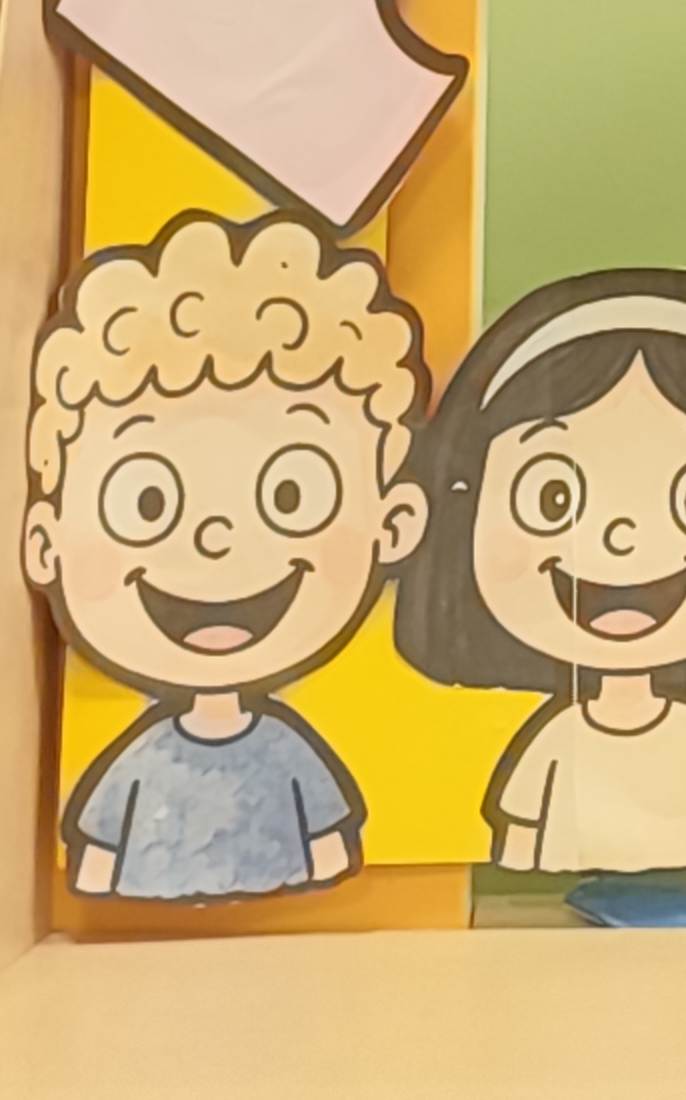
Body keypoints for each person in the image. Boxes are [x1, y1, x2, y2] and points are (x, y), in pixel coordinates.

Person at [397, 269, 686, 874]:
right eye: (552, 498)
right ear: (466, 508)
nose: (621, 537)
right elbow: (520, 835)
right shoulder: (557, 740)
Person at [22, 212, 426, 902]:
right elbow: (96, 865)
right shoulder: (137, 763)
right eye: (148, 500)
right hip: (129, 934)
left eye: (291, 494)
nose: (216, 538)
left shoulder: (290, 755)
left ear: (393, 524)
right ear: (45, 543)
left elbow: (329, 854)